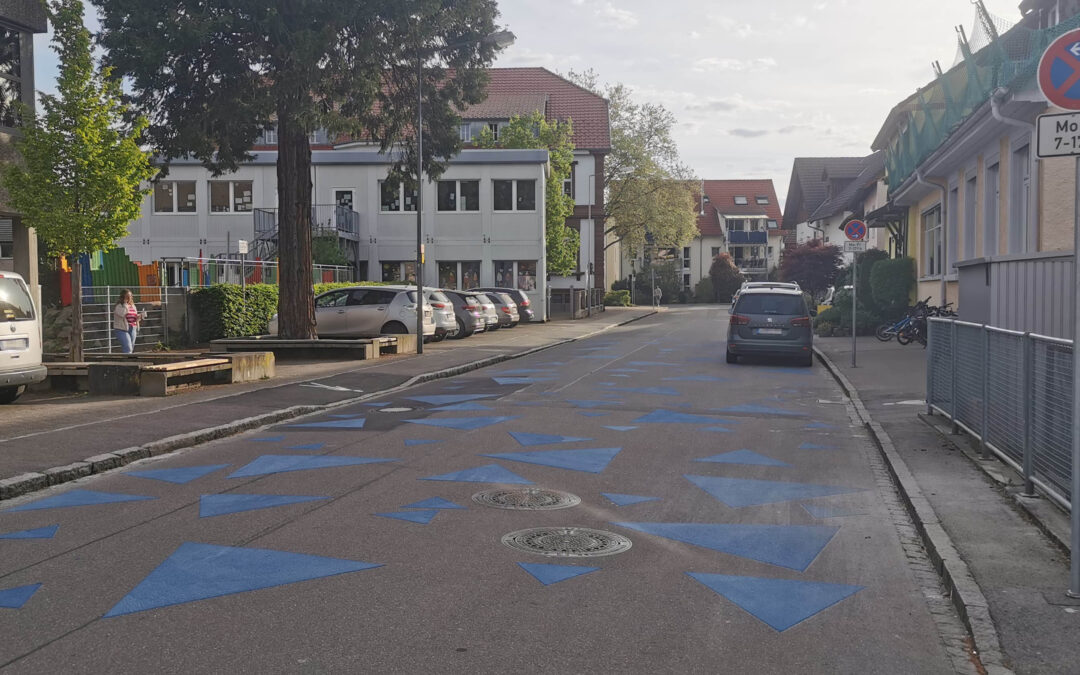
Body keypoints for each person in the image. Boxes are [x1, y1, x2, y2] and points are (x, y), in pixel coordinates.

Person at [112, 289, 142, 354]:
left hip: (133, 327)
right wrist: (125, 304)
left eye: (130, 296)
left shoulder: (133, 306)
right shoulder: (119, 306)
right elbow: (122, 314)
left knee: (131, 347)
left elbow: (134, 316)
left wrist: (138, 317)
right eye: (127, 296)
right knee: (128, 347)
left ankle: (129, 360)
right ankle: (127, 362)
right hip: (122, 329)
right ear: (123, 297)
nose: (129, 298)